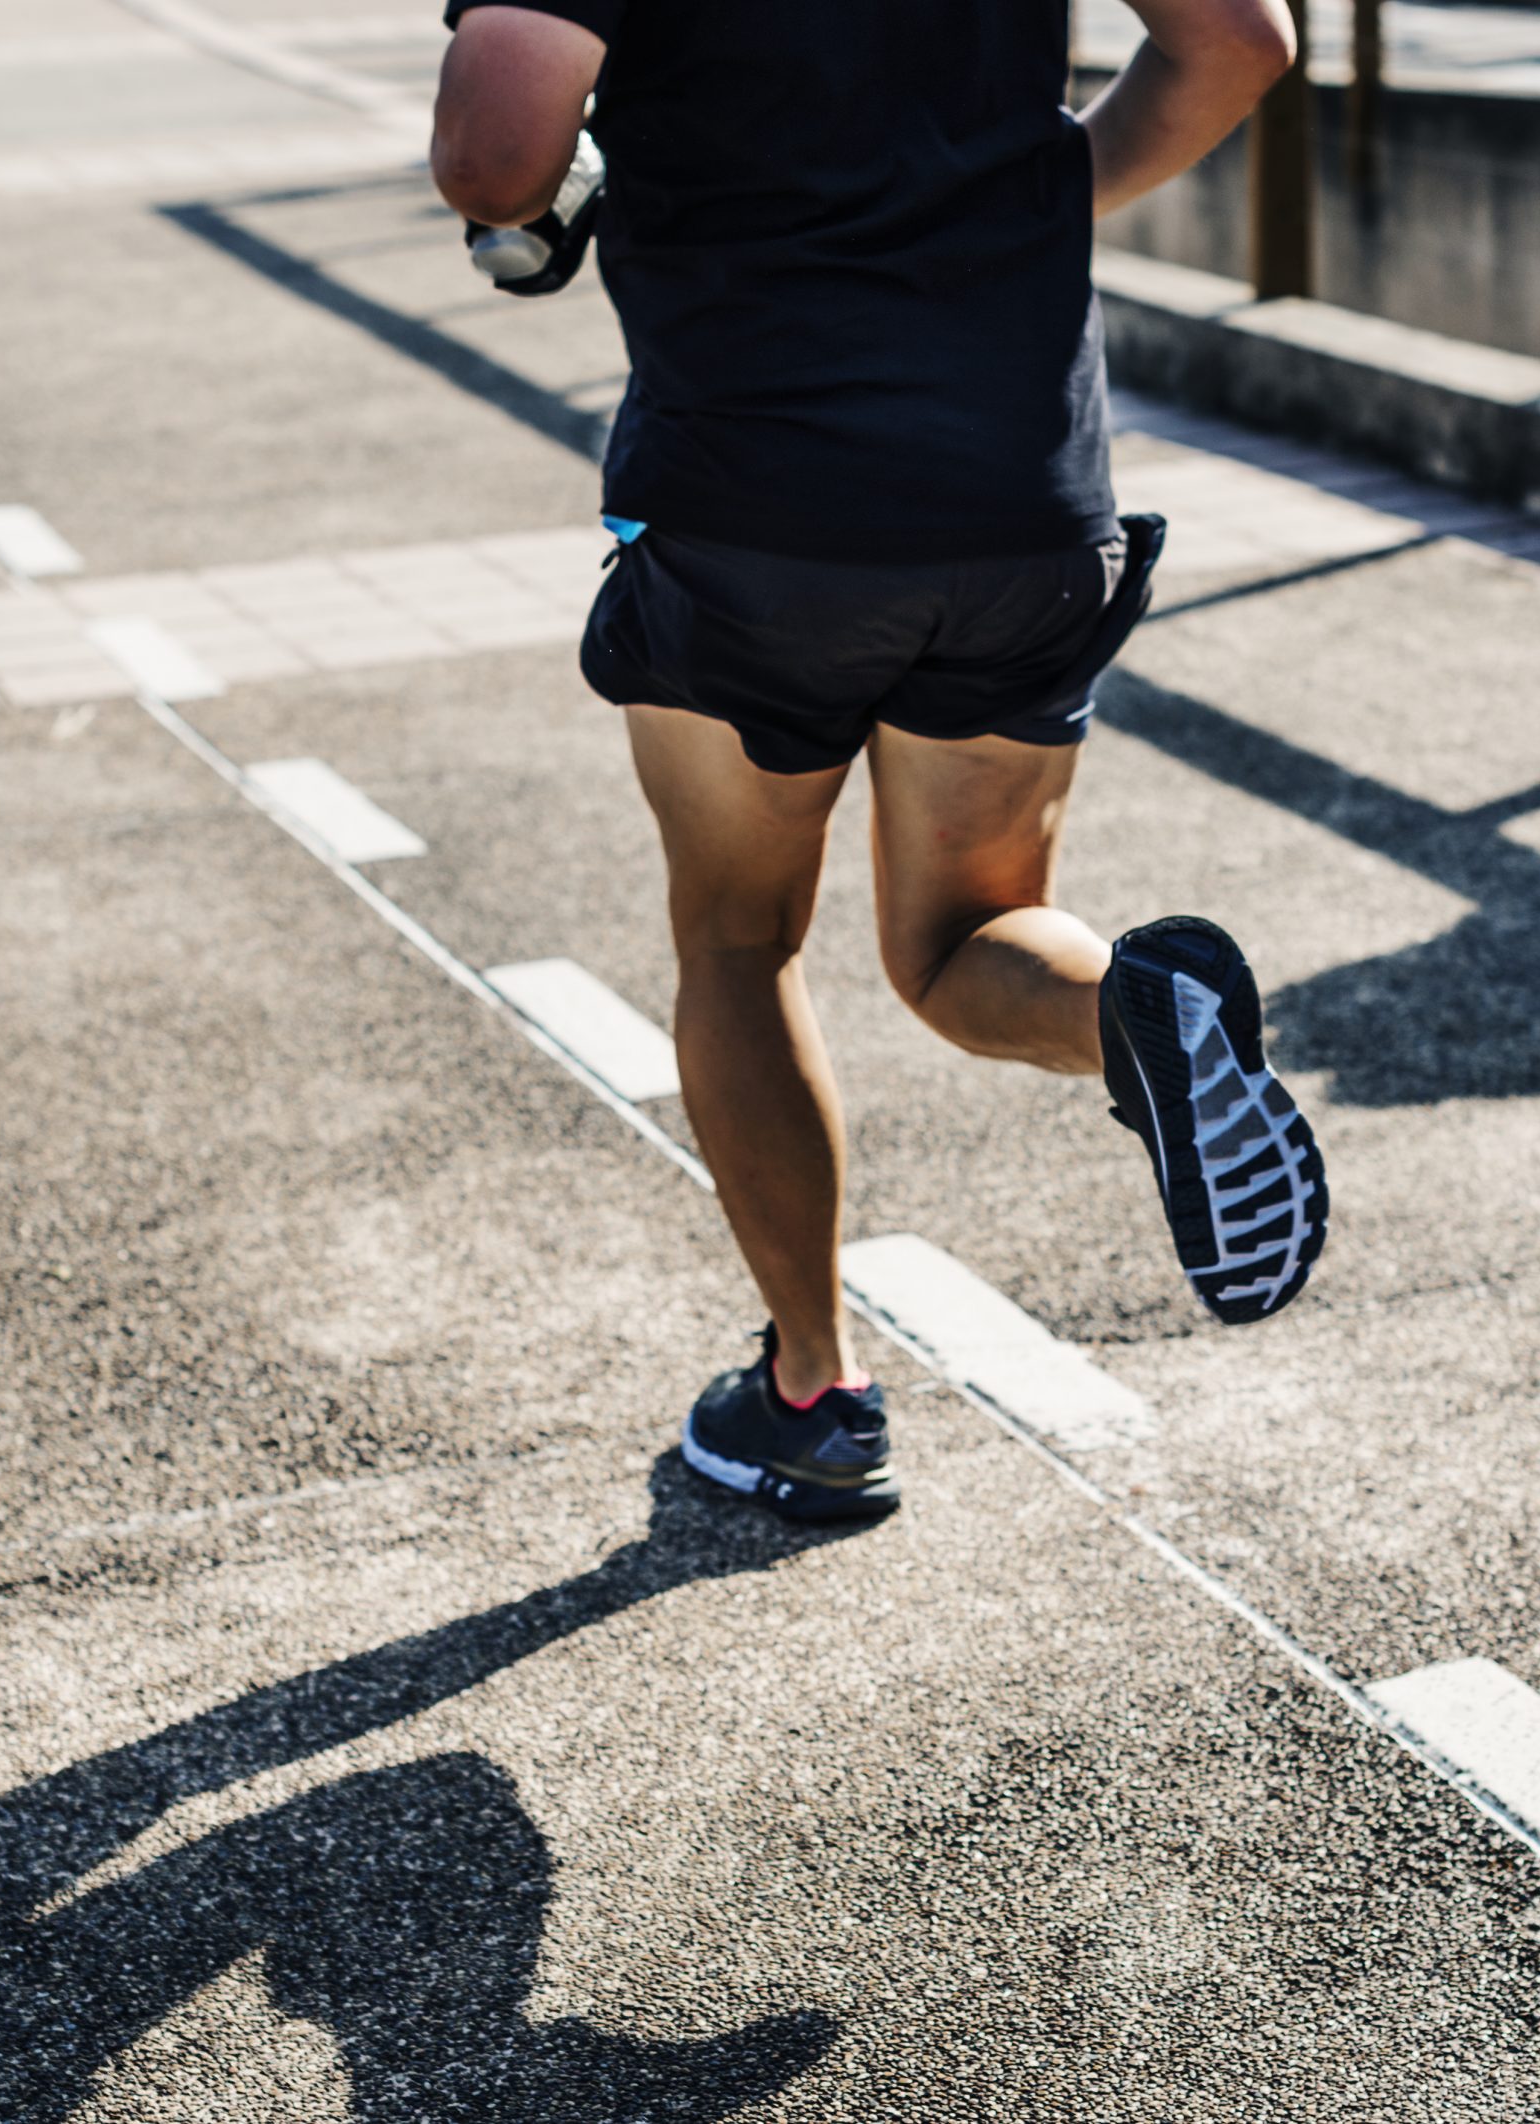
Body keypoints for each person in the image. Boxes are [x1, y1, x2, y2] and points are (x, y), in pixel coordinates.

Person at [431, 0, 1328, 1520]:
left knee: (738, 939)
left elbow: (495, 143)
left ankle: (813, 1395)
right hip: (1023, 500)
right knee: (965, 936)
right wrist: (1028, 200)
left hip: (754, 508)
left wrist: (548, 198)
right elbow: (1241, 38)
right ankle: (1134, 1013)